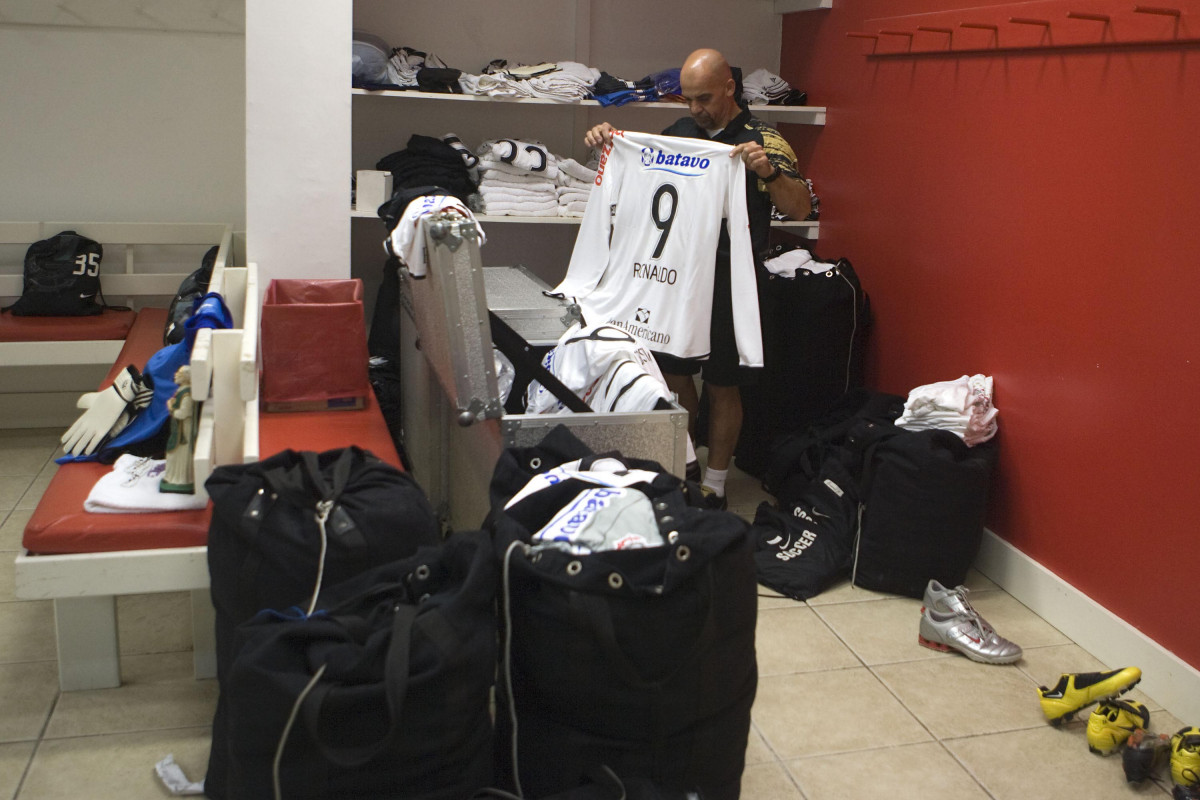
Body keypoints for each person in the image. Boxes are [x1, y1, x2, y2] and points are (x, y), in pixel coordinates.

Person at [584, 48, 813, 509]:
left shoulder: (764, 139)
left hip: (732, 280)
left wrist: (766, 173)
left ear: (729, 88)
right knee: (674, 373)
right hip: (677, 278)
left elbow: (801, 208)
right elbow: (641, 175)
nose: (695, 109)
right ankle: (683, 467)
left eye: (704, 98)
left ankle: (716, 483)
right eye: (687, 99)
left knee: (724, 384)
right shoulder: (680, 132)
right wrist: (609, 141)